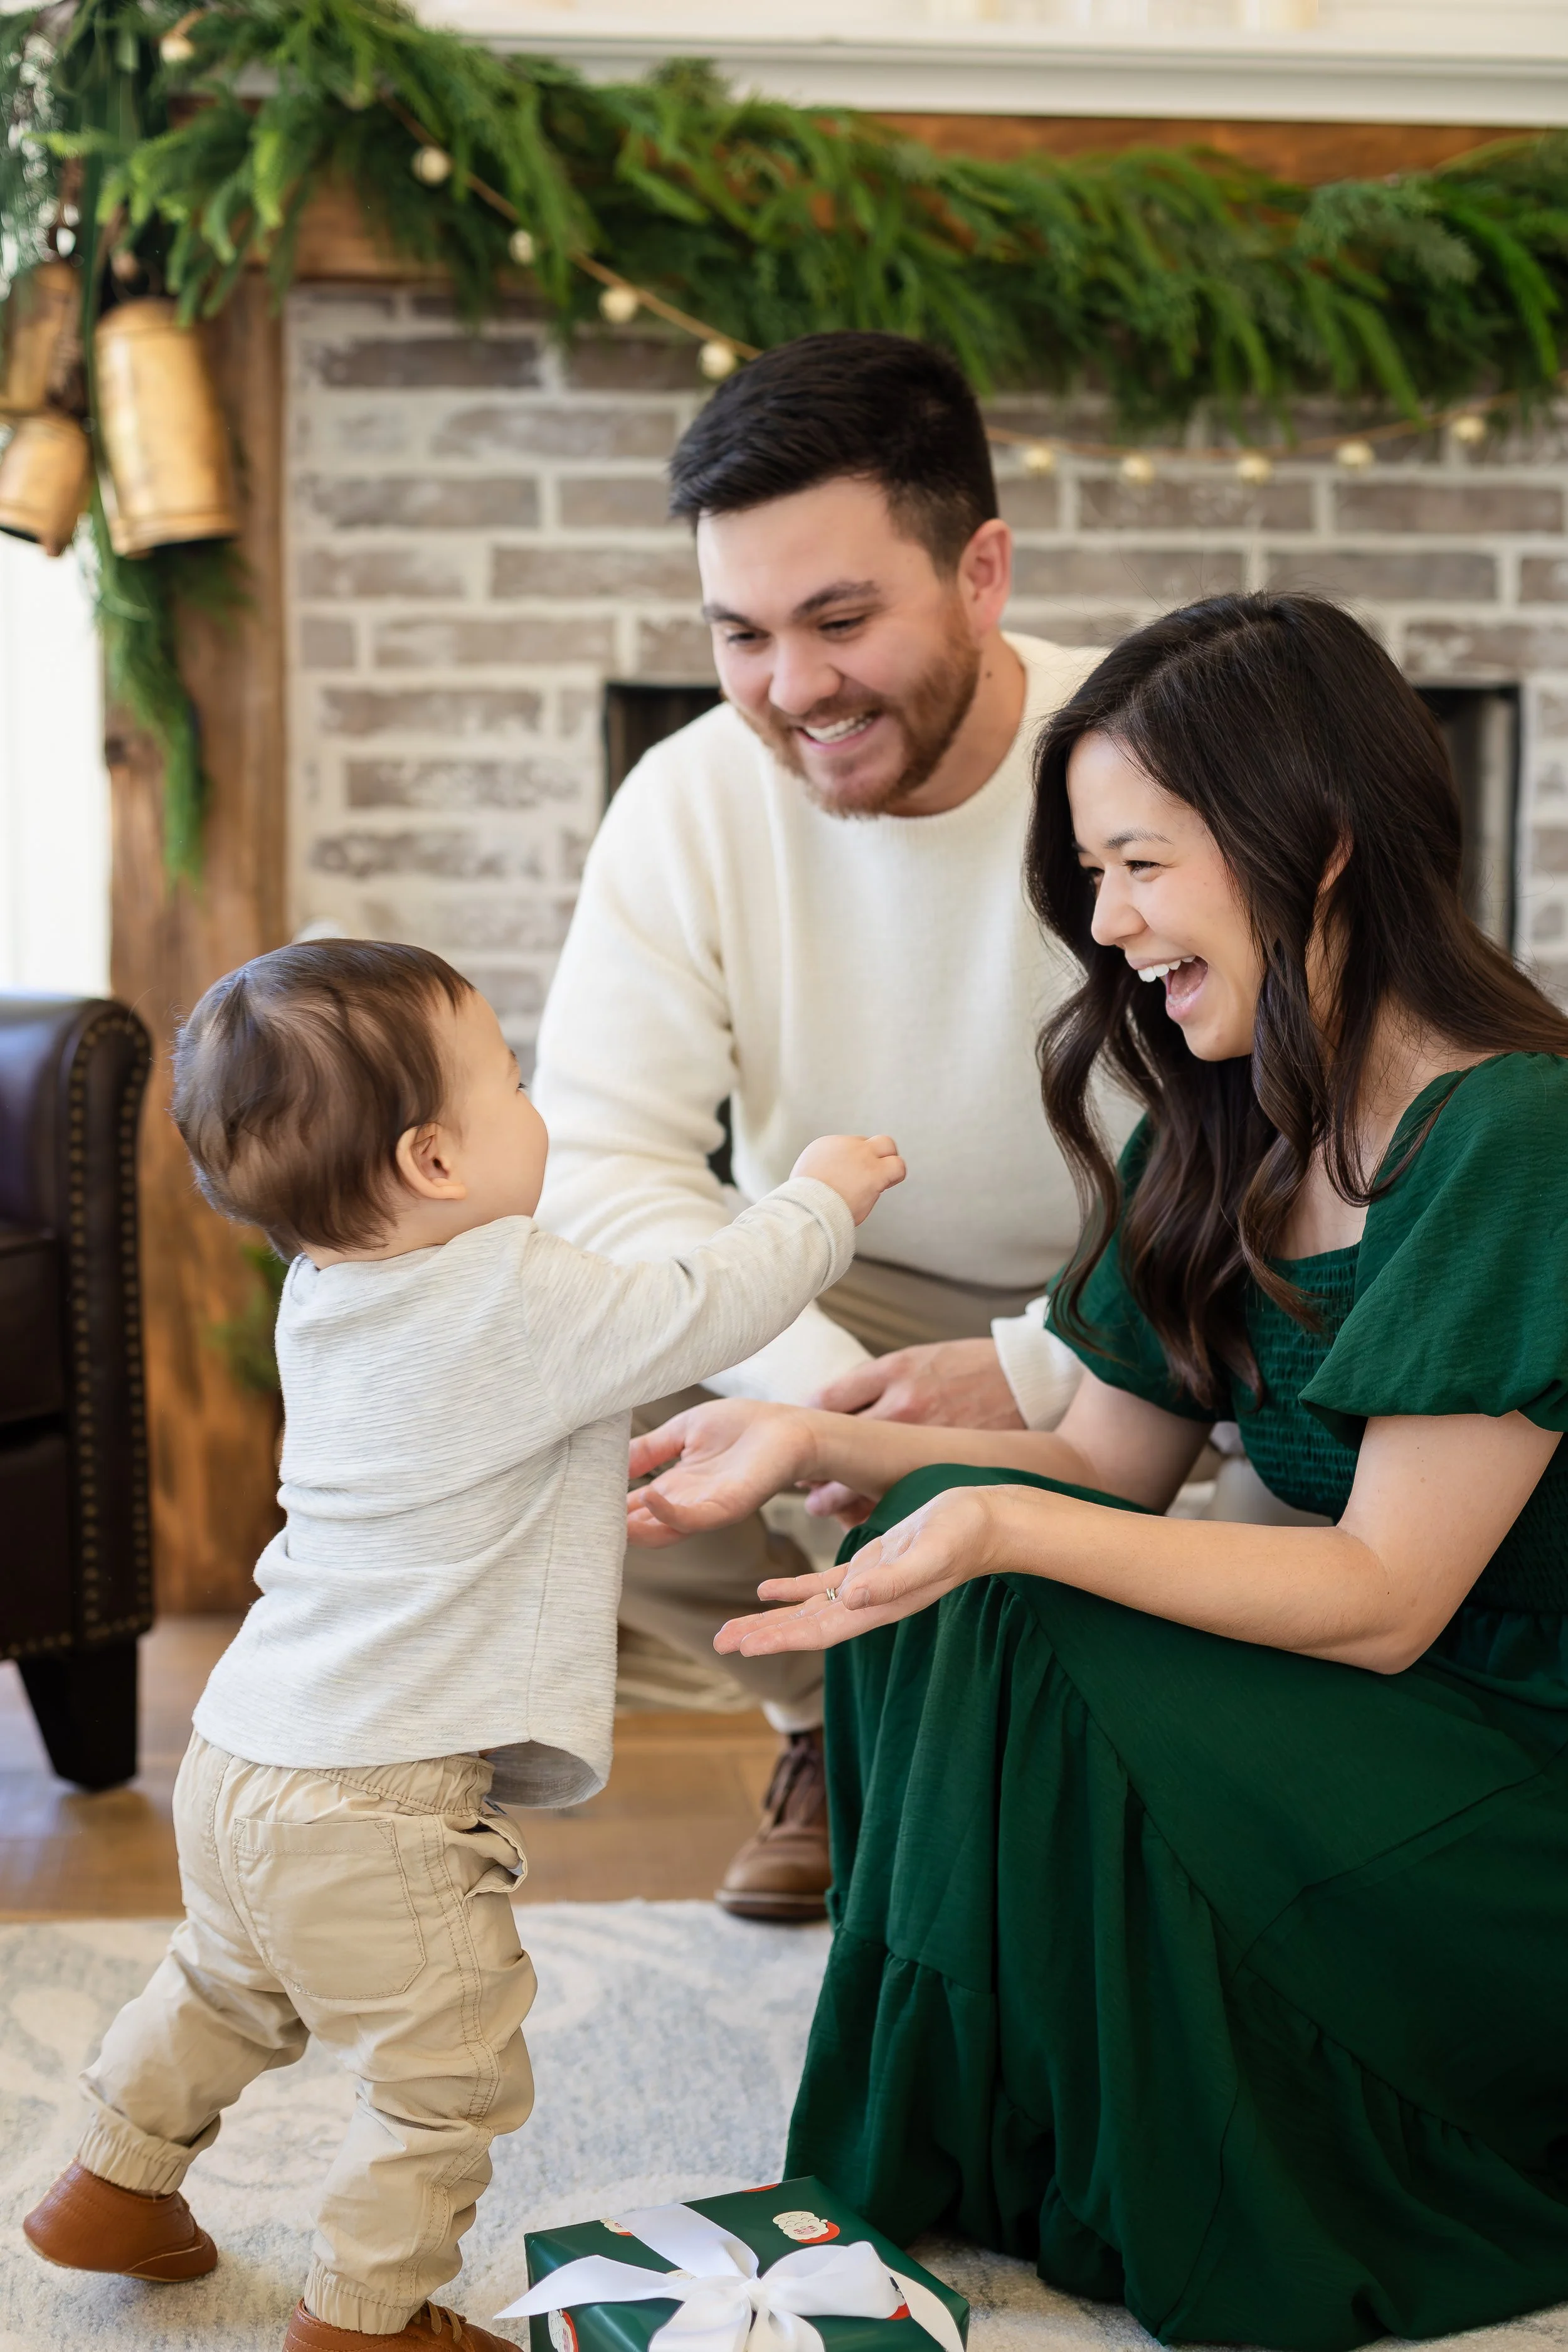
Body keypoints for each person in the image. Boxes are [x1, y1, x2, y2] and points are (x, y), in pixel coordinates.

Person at [625, 594, 1568, 2350]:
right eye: (1091, 876)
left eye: (1139, 864)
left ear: (1325, 839)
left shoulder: (1513, 1133)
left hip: (1513, 1789)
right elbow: (1087, 1456)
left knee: (997, 1558)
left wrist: (996, 1521)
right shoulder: (1237, 1121)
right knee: (936, 1530)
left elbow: (1378, 1598)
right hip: (1387, 1740)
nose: (1109, 925)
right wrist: (822, 1436)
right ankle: (960, 2130)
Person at [22, 940, 903, 2352]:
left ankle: (111, 2182)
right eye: (513, 1079)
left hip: (244, 1756)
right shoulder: (515, 1293)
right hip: (375, 1799)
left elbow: (503, 1434)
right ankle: (366, 2318)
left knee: (225, 1984)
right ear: (435, 1160)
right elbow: (706, 1303)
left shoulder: (328, 1294)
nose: (536, 1102)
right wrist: (819, 1197)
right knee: (450, 2075)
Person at [532, 329, 1103, 1922]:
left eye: (841, 619)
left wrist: (1048, 1362)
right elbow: (598, 1162)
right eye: (741, 633)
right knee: (536, 1398)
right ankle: (822, 1728)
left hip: (1131, 1307)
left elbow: (1289, 1169)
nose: (792, 691)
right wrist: (816, 1400)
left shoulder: (1150, 758)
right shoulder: (689, 798)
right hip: (820, 1297)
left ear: (979, 572)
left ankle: (1036, 1745)